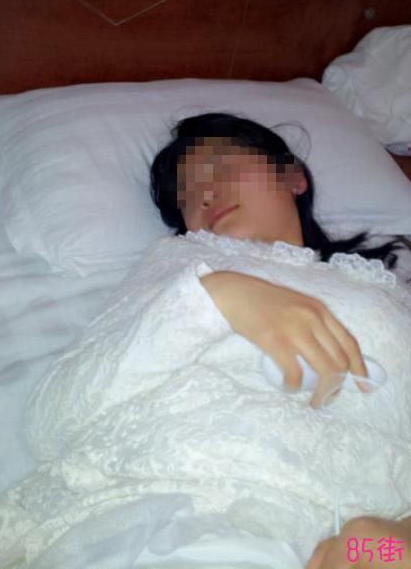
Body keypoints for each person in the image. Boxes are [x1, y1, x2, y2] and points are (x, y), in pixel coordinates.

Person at [150, 111, 411, 569]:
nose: (205, 194)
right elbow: (62, 407)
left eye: (223, 167)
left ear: (293, 177)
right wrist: (217, 293)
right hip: (202, 517)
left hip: (370, 538)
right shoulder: (178, 269)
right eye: (187, 197)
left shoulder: (386, 290)